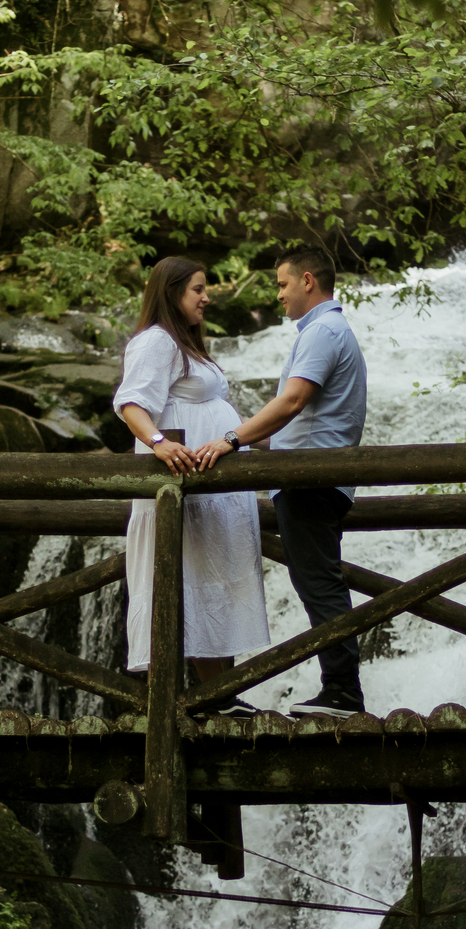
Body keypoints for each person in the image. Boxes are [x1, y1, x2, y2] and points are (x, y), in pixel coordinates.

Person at [194, 246, 368, 718]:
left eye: (282, 285)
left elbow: (292, 402)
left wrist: (230, 439)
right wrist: (247, 441)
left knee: (320, 584)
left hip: (311, 480)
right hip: (314, 474)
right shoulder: (329, 329)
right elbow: (302, 422)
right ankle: (339, 690)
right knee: (317, 582)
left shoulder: (323, 330)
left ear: (308, 280)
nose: (279, 296)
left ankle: (343, 694)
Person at [113, 257, 269, 713]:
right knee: (196, 578)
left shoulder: (188, 344)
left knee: (214, 579)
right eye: (198, 289)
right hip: (184, 485)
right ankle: (211, 698)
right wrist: (160, 443)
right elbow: (131, 404)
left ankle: (221, 696)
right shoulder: (156, 342)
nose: (206, 297)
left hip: (209, 488)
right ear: (171, 293)